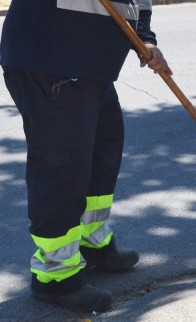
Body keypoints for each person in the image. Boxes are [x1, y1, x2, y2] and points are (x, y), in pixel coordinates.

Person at [0, 0, 172, 312]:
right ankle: (56, 276)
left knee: (102, 154)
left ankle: (94, 242)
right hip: (50, 58)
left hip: (93, 65)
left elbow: (138, 3)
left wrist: (146, 39)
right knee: (60, 170)